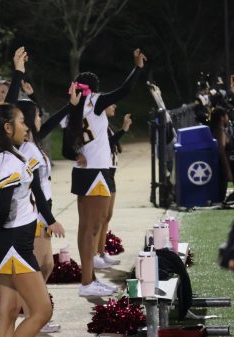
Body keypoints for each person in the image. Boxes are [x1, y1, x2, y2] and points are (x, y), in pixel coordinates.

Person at [62, 49, 146, 297]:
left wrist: (75, 156)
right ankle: (87, 282)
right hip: (97, 170)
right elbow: (125, 90)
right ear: (96, 88)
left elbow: (67, 146)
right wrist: (137, 68)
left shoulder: (73, 106)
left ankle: (88, 278)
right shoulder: (95, 100)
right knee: (93, 228)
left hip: (82, 171)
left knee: (84, 228)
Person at [0, 103, 54, 337]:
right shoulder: (9, 160)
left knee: (8, 311)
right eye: (21, 121)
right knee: (42, 311)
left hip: (12, 240)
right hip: (15, 243)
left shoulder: (2, 157)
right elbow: (7, 201)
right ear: (7, 128)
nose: (26, 126)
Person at [93, 106, 131, 268]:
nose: (115, 106)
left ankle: (101, 252)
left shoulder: (106, 125)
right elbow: (107, 144)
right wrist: (123, 130)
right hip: (103, 173)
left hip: (110, 174)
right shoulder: (97, 125)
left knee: (107, 216)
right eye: (111, 103)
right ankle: (94, 255)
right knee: (99, 217)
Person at [209, 107, 233, 203]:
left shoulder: (220, 130)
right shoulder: (220, 131)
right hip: (225, 167)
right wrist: (228, 171)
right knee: (220, 196)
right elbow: (221, 151)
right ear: (222, 118)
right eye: (226, 116)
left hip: (226, 166)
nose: (228, 118)